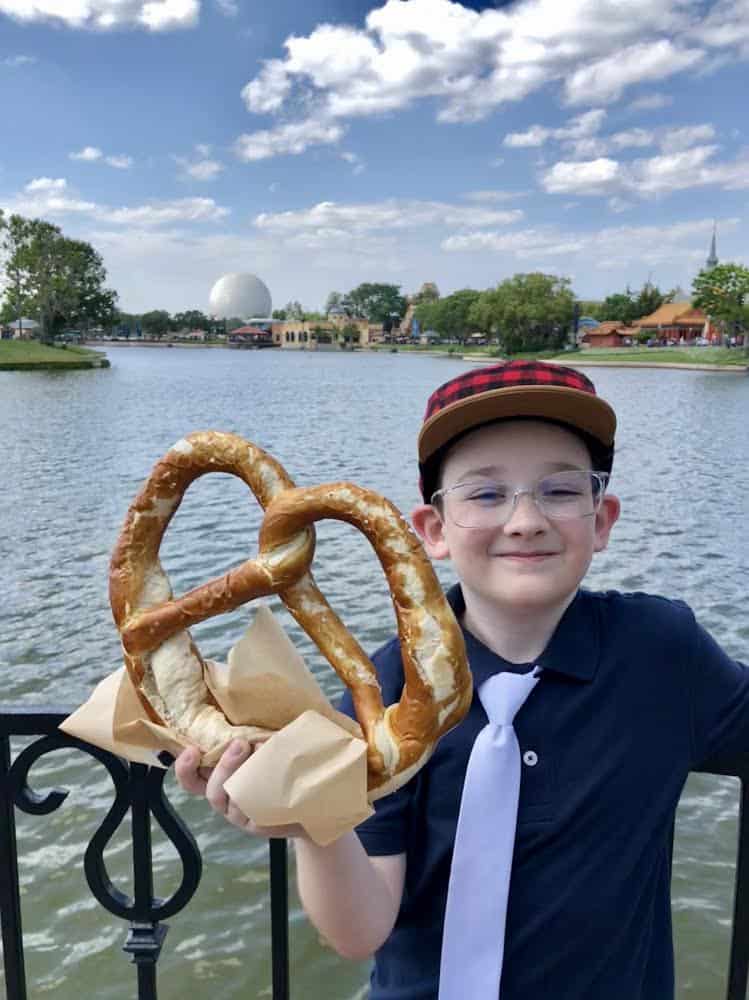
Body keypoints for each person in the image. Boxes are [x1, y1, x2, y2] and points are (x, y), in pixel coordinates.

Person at [175, 360, 749, 999]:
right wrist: (313, 825)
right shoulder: (386, 688)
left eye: (560, 490)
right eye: (485, 493)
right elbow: (358, 931)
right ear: (433, 531)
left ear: (602, 518)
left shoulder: (663, 655)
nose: (525, 519)